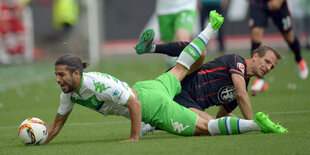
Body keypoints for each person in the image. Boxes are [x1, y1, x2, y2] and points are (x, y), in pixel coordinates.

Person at [46, 11, 286, 144]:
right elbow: (57, 123)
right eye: (57, 75)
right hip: (158, 88)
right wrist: (42, 138)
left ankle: (256, 125)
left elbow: (134, 102)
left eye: (61, 75)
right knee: (185, 64)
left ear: (77, 73)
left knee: (207, 127)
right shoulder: (70, 94)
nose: (57, 79)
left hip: (155, 103)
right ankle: (210, 28)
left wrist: (133, 137)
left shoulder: (95, 82)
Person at [135, 29, 281, 121]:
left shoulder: (242, 86)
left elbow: (221, 115)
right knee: (201, 51)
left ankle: (153, 124)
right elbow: (241, 93)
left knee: (209, 123)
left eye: (272, 67)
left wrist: (239, 123)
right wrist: (251, 124)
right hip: (184, 79)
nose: (268, 68)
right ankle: (152, 47)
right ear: (255, 56)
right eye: (267, 61)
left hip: (190, 104)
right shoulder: (237, 61)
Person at [248, 0, 308, 92]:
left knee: (289, 37)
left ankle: (299, 59)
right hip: (258, 3)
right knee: (255, 35)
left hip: (278, 4)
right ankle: (260, 79)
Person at [154, 0, 197, 68]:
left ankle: (183, 73)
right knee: (169, 50)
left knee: (182, 42)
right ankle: (172, 68)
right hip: (164, 10)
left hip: (186, 6)